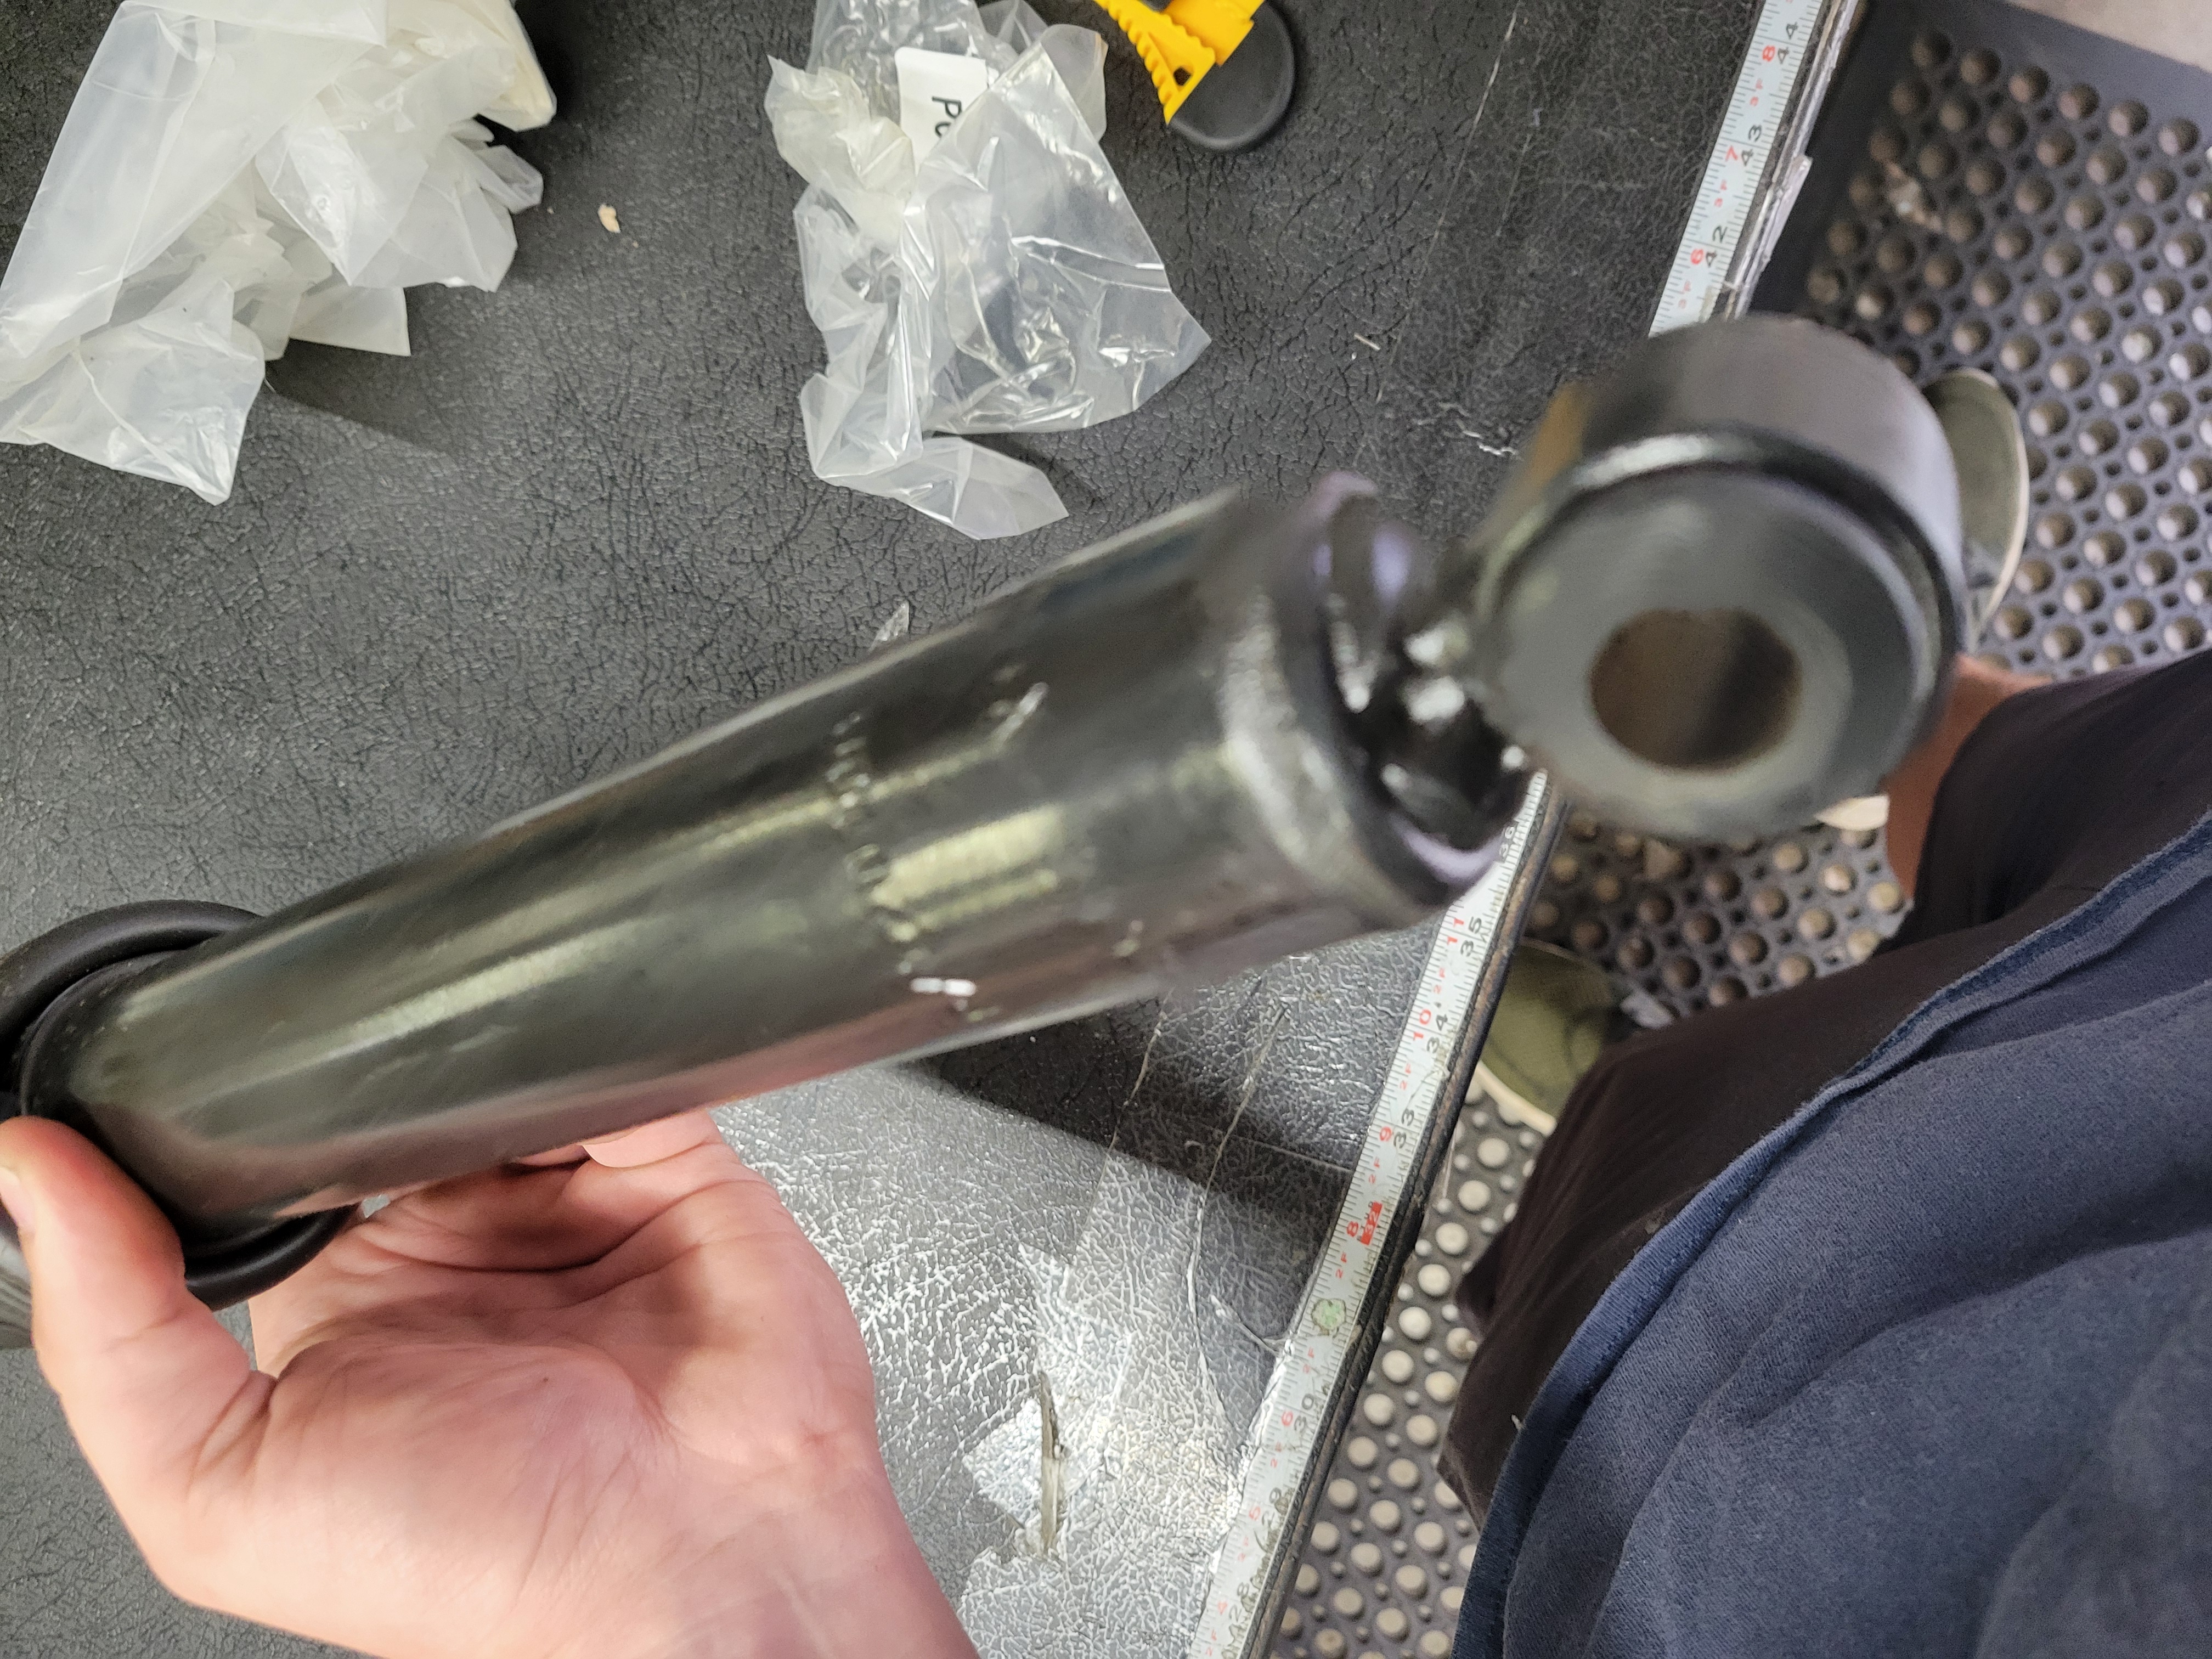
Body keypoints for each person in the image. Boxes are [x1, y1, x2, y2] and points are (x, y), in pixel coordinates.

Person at [0, 648, 2207, 1658]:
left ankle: (1655, 1101)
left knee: (1639, 1237)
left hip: (1776, 1444)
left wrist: (732, 1594)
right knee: (2071, 820)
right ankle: (1873, 707)